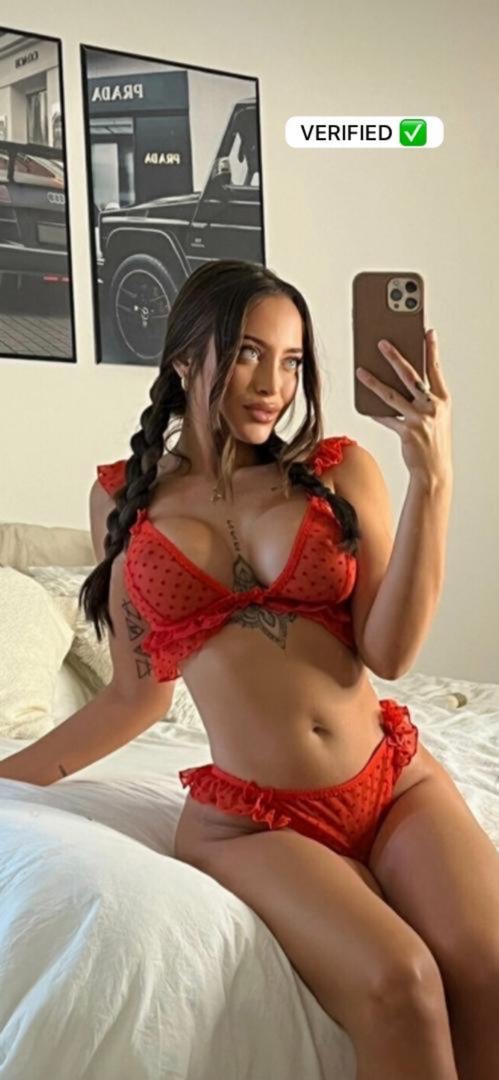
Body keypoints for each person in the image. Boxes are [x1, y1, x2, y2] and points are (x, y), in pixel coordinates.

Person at [2, 259, 498, 1079]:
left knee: (488, 967)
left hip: (392, 784)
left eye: (291, 362)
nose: (274, 385)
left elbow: (390, 653)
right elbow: (133, 696)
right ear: (184, 359)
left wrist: (431, 478)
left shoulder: (339, 471)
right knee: (400, 985)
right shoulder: (124, 499)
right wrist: (8, 780)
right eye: (247, 355)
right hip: (252, 823)